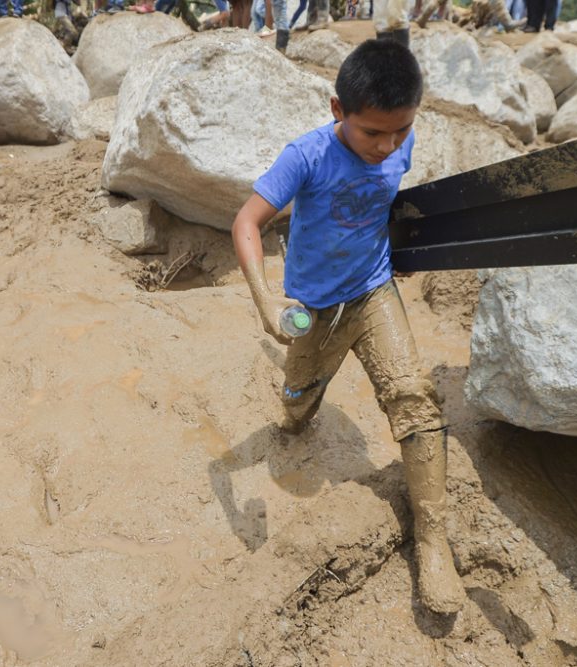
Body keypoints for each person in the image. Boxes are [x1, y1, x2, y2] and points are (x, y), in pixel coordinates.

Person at [231, 39, 466, 614]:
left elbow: (388, 205)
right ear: (338, 110)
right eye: (373, 134)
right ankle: (295, 406)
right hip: (313, 309)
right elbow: (246, 221)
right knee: (296, 407)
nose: (387, 147)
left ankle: (435, 545)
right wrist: (265, 300)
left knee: (414, 399)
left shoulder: (398, 144)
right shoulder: (306, 156)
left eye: (400, 132)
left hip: (373, 292)